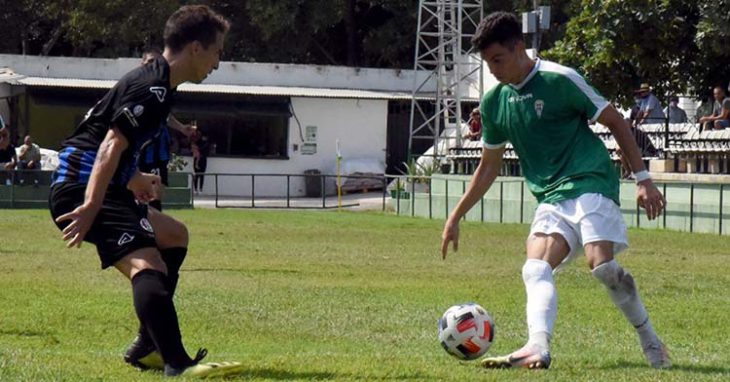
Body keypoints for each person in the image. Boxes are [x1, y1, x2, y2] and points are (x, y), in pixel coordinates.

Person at [440, 12, 670, 370]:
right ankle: (536, 346)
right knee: (534, 268)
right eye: (488, 63)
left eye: (498, 59)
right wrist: (456, 215)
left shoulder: (560, 79)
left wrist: (643, 179)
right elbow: (488, 166)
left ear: (519, 47)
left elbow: (616, 121)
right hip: (550, 196)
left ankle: (650, 340)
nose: (494, 70)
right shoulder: (494, 102)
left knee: (602, 267)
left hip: (590, 180)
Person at [48, 5, 243, 378]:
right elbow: (108, 145)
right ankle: (177, 363)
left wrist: (133, 178)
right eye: (218, 51)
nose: (219, 62)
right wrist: (90, 205)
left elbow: (107, 140)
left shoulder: (160, 88)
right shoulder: (152, 89)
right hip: (82, 189)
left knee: (173, 236)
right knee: (146, 263)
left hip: (100, 183)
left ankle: (147, 346)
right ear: (196, 48)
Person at [138, 48, 197, 211]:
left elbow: (165, 115)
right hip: (139, 149)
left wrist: (182, 129)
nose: (151, 66)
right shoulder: (135, 88)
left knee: (155, 195)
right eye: (148, 63)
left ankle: (152, 229)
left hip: (158, 151)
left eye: (154, 63)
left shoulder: (166, 87)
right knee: (138, 194)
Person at [191, 129, 209, 194]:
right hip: (197, 159)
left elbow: (206, 152)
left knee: (202, 175)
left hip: (203, 159)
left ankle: (200, 189)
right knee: (196, 174)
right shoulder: (197, 142)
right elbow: (194, 149)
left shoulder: (206, 144)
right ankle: (195, 189)